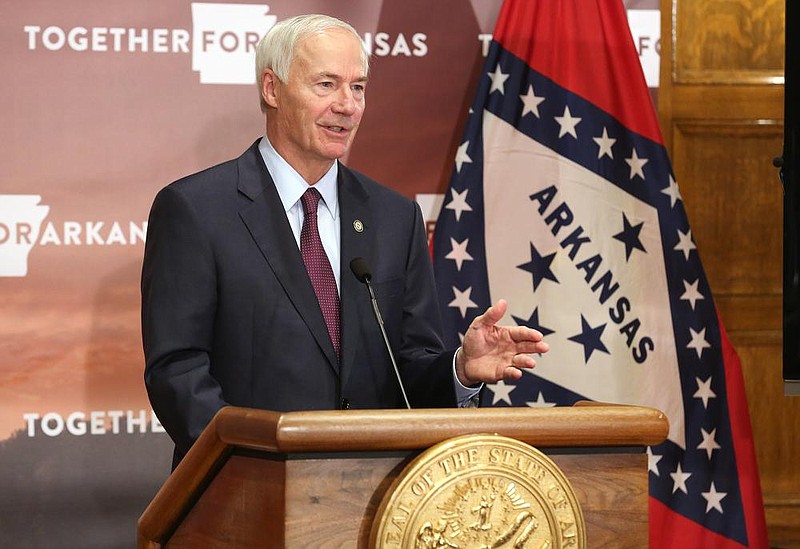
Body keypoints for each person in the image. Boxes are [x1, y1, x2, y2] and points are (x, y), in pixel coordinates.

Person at [141, 14, 548, 467]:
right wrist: (243, 465)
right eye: (326, 84)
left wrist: (459, 368)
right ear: (272, 89)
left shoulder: (395, 217)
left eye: (358, 87)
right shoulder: (196, 210)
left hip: (375, 500)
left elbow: (408, 364)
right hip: (247, 492)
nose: (347, 105)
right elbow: (178, 371)